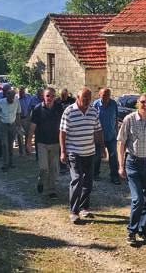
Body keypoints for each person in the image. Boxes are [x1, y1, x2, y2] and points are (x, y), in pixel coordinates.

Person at [117, 93, 146, 246]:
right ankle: (131, 231)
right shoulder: (129, 120)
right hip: (133, 163)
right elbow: (121, 143)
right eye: (143, 102)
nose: (145, 105)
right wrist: (120, 165)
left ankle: (142, 228)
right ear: (138, 103)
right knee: (138, 199)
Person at [59, 87, 103, 224]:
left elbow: (98, 130)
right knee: (77, 179)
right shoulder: (69, 111)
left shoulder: (93, 111)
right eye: (84, 99)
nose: (86, 101)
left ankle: (84, 207)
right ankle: (74, 211)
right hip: (74, 152)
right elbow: (62, 132)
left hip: (89, 152)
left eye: (89, 99)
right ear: (77, 98)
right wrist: (63, 151)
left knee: (88, 181)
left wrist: (102, 147)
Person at [27, 88, 63, 199]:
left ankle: (51, 190)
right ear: (43, 96)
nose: (50, 98)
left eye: (52, 96)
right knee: (44, 168)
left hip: (55, 143)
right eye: (48, 96)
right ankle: (41, 180)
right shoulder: (37, 109)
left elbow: (63, 125)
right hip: (41, 142)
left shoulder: (58, 108)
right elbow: (32, 127)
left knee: (53, 168)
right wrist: (29, 142)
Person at [92, 88, 119, 184]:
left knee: (113, 156)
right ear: (99, 95)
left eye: (108, 95)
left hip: (111, 135)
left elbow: (116, 118)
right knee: (97, 156)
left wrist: (117, 132)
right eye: (104, 95)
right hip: (99, 136)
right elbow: (92, 120)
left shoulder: (113, 104)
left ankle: (114, 176)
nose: (106, 97)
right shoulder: (95, 104)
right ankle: (95, 174)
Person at [0, 90, 21, 171]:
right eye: (10, 98)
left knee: (10, 144)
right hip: (3, 125)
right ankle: (5, 164)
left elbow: (18, 113)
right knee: (4, 145)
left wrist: (18, 124)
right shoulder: (0, 102)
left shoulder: (17, 101)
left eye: (13, 98)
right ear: (6, 96)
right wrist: (0, 123)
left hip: (12, 125)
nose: (12, 100)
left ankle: (11, 162)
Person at [56, 88, 76, 173]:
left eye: (64, 95)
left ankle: (70, 164)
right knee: (62, 146)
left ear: (67, 94)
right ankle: (62, 166)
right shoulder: (57, 102)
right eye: (62, 95)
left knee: (71, 146)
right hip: (61, 126)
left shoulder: (72, 100)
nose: (63, 97)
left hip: (71, 127)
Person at [17, 86, 34, 156]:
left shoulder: (29, 96)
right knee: (20, 135)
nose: (22, 93)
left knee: (28, 134)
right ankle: (21, 151)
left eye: (23, 92)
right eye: (20, 92)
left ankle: (27, 149)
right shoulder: (16, 99)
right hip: (19, 119)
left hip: (27, 118)